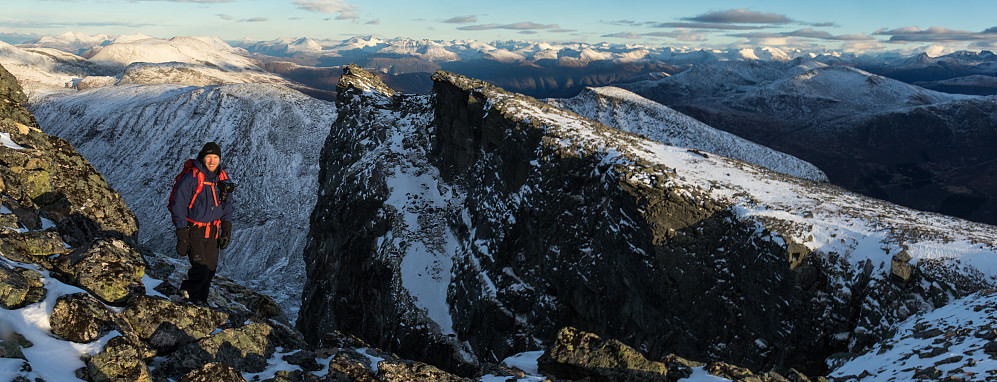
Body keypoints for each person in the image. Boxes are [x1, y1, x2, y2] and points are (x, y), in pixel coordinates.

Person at [171, 142, 233, 305]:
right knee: (200, 270)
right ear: (202, 158)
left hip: (213, 231)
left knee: (210, 271)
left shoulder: (222, 179)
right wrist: (182, 235)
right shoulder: (191, 178)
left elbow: (227, 204)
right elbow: (178, 206)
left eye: (215, 157)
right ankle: (189, 295)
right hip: (194, 231)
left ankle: (201, 301)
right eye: (208, 157)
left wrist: (226, 228)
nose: (212, 161)